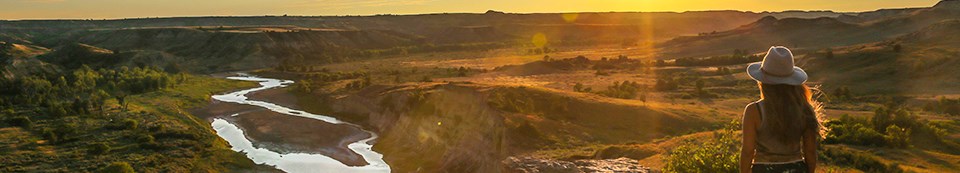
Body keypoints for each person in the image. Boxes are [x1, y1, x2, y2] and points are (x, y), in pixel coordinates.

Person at [740, 46, 824, 173]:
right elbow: (810, 151)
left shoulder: (754, 111)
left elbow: (747, 151)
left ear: (762, 82)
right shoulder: (805, 109)